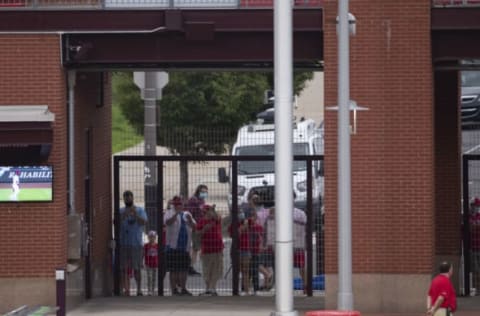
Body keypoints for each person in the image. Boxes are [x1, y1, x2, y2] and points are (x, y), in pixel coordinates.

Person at [164, 195, 196, 296]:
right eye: (177, 204)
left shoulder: (187, 214)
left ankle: (183, 288)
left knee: (183, 269)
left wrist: (190, 220)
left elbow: (195, 227)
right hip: (173, 246)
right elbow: (167, 223)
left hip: (184, 247)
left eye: (181, 204)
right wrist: (175, 214)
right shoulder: (169, 213)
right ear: (174, 205)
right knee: (173, 269)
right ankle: (174, 289)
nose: (179, 206)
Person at [119, 190, 148, 296]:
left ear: (132, 198)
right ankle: (126, 289)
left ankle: (139, 289)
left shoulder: (140, 210)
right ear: (124, 199)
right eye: (125, 197)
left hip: (136, 243)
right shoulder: (121, 210)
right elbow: (116, 223)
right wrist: (125, 215)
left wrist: (135, 214)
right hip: (124, 243)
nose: (127, 199)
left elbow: (144, 222)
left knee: (136, 268)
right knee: (124, 268)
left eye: (129, 197)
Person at [196, 204, 224, 296]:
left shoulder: (216, 220)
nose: (206, 213)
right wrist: (204, 229)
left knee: (216, 269)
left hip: (217, 248)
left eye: (208, 211)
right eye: (205, 211)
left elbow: (218, 217)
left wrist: (213, 211)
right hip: (206, 249)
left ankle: (213, 288)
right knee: (207, 270)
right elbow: (197, 233)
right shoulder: (202, 221)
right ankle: (208, 288)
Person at [186, 184, 209, 276]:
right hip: (195, 227)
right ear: (198, 191)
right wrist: (193, 226)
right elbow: (190, 214)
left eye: (206, 192)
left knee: (197, 248)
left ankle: (191, 266)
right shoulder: (194, 200)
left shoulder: (202, 201)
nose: (204, 193)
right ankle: (190, 267)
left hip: (201, 227)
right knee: (195, 248)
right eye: (202, 192)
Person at [144, 230, 159, 296]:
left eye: (153, 237)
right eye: (150, 237)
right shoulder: (146, 245)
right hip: (148, 263)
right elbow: (143, 253)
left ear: (155, 238)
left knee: (154, 277)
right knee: (149, 277)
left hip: (155, 264)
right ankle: (149, 290)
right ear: (148, 238)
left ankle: (153, 289)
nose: (152, 238)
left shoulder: (157, 245)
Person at [470, 198, 480, 293]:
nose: (475, 207)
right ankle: (476, 288)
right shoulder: (469, 218)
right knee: (475, 269)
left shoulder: (479, 216)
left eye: (477, 206)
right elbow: (470, 230)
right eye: (474, 205)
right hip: (473, 247)